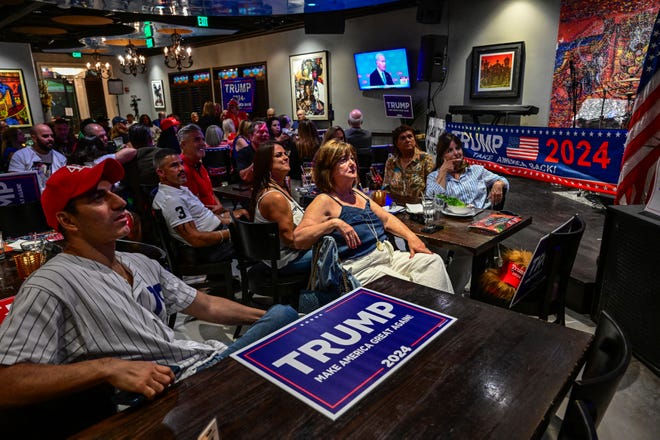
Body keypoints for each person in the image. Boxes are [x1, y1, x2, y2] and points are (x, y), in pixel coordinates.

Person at [0, 158, 298, 411]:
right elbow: (7, 382)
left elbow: (205, 304)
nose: (119, 202)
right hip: (175, 389)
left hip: (203, 359)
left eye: (113, 192)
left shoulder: (139, 262)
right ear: (68, 221)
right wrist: (106, 368)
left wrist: (275, 323)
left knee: (283, 316)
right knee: (285, 318)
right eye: (97, 198)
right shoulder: (51, 283)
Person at [294, 140, 453, 292]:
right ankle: (426, 314)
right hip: (361, 267)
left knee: (433, 262)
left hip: (388, 255)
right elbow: (299, 238)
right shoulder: (324, 200)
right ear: (328, 169)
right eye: (343, 160)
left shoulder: (357, 193)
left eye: (352, 158)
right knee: (408, 287)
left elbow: (387, 219)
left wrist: (411, 237)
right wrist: (334, 223)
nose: (352, 163)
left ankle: (447, 316)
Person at [152, 149, 243, 264]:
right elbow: (195, 239)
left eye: (181, 164)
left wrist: (230, 222)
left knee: (246, 215)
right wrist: (232, 233)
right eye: (174, 166)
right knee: (259, 234)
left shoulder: (179, 189)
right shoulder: (172, 200)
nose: (182, 168)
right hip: (208, 249)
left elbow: (205, 216)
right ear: (161, 172)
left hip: (215, 234)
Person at [251, 141, 312, 276]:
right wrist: (316, 238)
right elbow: (290, 240)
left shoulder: (279, 187)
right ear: (266, 163)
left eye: (285, 154)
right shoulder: (273, 197)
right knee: (337, 250)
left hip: (289, 254)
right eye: (279, 155)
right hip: (284, 261)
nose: (285, 157)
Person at [426, 132, 508, 209]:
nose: (456, 153)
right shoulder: (433, 177)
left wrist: (499, 183)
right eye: (450, 150)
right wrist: (443, 171)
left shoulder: (476, 170)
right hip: (450, 220)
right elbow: (432, 203)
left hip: (478, 218)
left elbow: (504, 181)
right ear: (442, 156)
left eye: (458, 148)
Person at [179, 124, 223, 213]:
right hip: (205, 219)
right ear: (183, 145)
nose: (203, 143)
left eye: (203, 139)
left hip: (214, 213)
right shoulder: (182, 171)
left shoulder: (198, 165)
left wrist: (219, 205)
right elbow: (194, 208)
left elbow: (211, 193)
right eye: (197, 140)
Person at [8, 123, 66, 190]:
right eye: (45, 136)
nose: (50, 139)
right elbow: (15, 183)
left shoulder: (60, 158)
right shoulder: (20, 155)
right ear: (34, 138)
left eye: (52, 136)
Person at [384, 125, 434, 199]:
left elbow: (432, 187)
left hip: (418, 206)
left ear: (414, 140)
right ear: (396, 143)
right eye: (402, 138)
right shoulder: (391, 161)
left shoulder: (425, 159)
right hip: (395, 206)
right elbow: (386, 187)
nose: (407, 140)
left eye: (410, 136)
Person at [344, 109, 373, 186]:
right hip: (365, 172)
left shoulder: (344, 135)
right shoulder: (368, 135)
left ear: (348, 122)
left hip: (348, 172)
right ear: (362, 122)